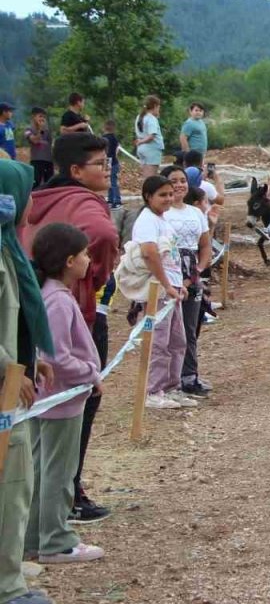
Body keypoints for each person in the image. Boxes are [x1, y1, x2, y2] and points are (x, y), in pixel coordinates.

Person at [22, 132, 118, 524]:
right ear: (76, 170)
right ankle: (68, 496)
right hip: (73, 312)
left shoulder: (41, 201)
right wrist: (92, 277)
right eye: (101, 163)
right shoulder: (83, 202)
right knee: (77, 406)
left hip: (34, 309)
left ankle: (46, 500)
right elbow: (105, 235)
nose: (108, 170)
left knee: (40, 418)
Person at [27, 223, 107, 565]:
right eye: (86, 254)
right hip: (61, 400)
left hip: (50, 400)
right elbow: (56, 357)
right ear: (70, 260)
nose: (90, 260)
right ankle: (56, 540)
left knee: (42, 470)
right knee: (59, 473)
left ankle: (34, 538)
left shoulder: (47, 294)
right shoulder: (58, 301)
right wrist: (90, 373)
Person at [0, 159, 57, 604]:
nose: (30, 202)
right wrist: (7, 366)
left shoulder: (8, 247)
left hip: (14, 378)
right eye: (24, 191)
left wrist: (29, 355)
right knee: (12, 488)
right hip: (4, 389)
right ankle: (8, 586)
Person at [132, 175, 195, 409]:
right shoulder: (147, 220)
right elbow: (149, 253)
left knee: (177, 341)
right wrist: (166, 285)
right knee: (159, 341)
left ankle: (171, 387)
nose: (168, 198)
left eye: (170, 194)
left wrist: (178, 285)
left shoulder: (163, 219)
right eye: (163, 195)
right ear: (148, 197)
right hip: (158, 290)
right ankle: (153, 391)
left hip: (172, 288)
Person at [162, 167, 213, 397]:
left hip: (192, 275)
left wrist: (198, 270)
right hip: (168, 275)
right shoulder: (158, 214)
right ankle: (166, 379)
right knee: (169, 330)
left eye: (183, 180)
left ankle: (189, 376)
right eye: (174, 181)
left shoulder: (195, 213)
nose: (179, 185)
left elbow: (204, 245)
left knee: (190, 327)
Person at [133, 95, 164, 179]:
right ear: (155, 106)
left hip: (142, 149)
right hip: (152, 149)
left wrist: (140, 142)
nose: (159, 109)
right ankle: (149, 192)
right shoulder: (151, 119)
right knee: (151, 177)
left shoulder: (139, 117)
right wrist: (141, 141)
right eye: (158, 107)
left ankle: (145, 191)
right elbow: (151, 136)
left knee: (145, 176)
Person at [24, 109, 54, 187]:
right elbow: (35, 140)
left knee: (50, 184)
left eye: (44, 117)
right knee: (35, 183)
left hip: (48, 161)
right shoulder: (28, 129)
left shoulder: (47, 130)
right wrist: (40, 130)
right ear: (34, 117)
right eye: (40, 116)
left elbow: (51, 144)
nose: (42, 119)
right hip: (37, 161)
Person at [101, 119, 122, 209]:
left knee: (112, 183)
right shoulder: (114, 138)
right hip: (114, 162)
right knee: (111, 182)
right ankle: (110, 200)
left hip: (110, 163)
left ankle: (116, 201)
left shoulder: (104, 138)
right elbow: (117, 149)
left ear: (105, 127)